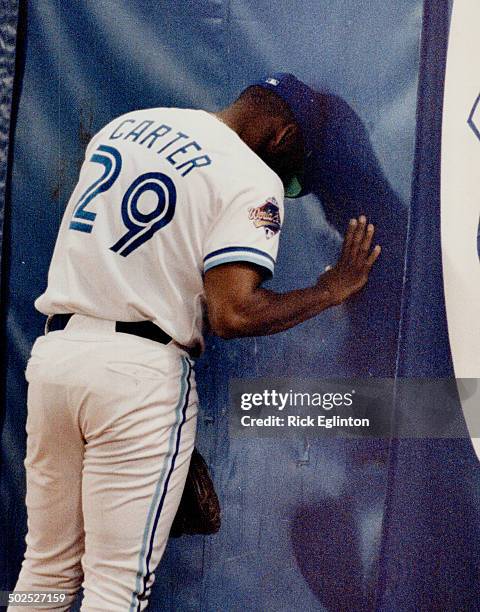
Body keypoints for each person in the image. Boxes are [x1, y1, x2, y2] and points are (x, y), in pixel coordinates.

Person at [10, 73, 380, 611]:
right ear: (279, 136)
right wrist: (330, 289)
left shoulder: (125, 126)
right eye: (294, 174)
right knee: (116, 589)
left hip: (57, 359)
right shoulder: (253, 176)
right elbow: (232, 312)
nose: (291, 185)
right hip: (136, 375)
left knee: (45, 569)